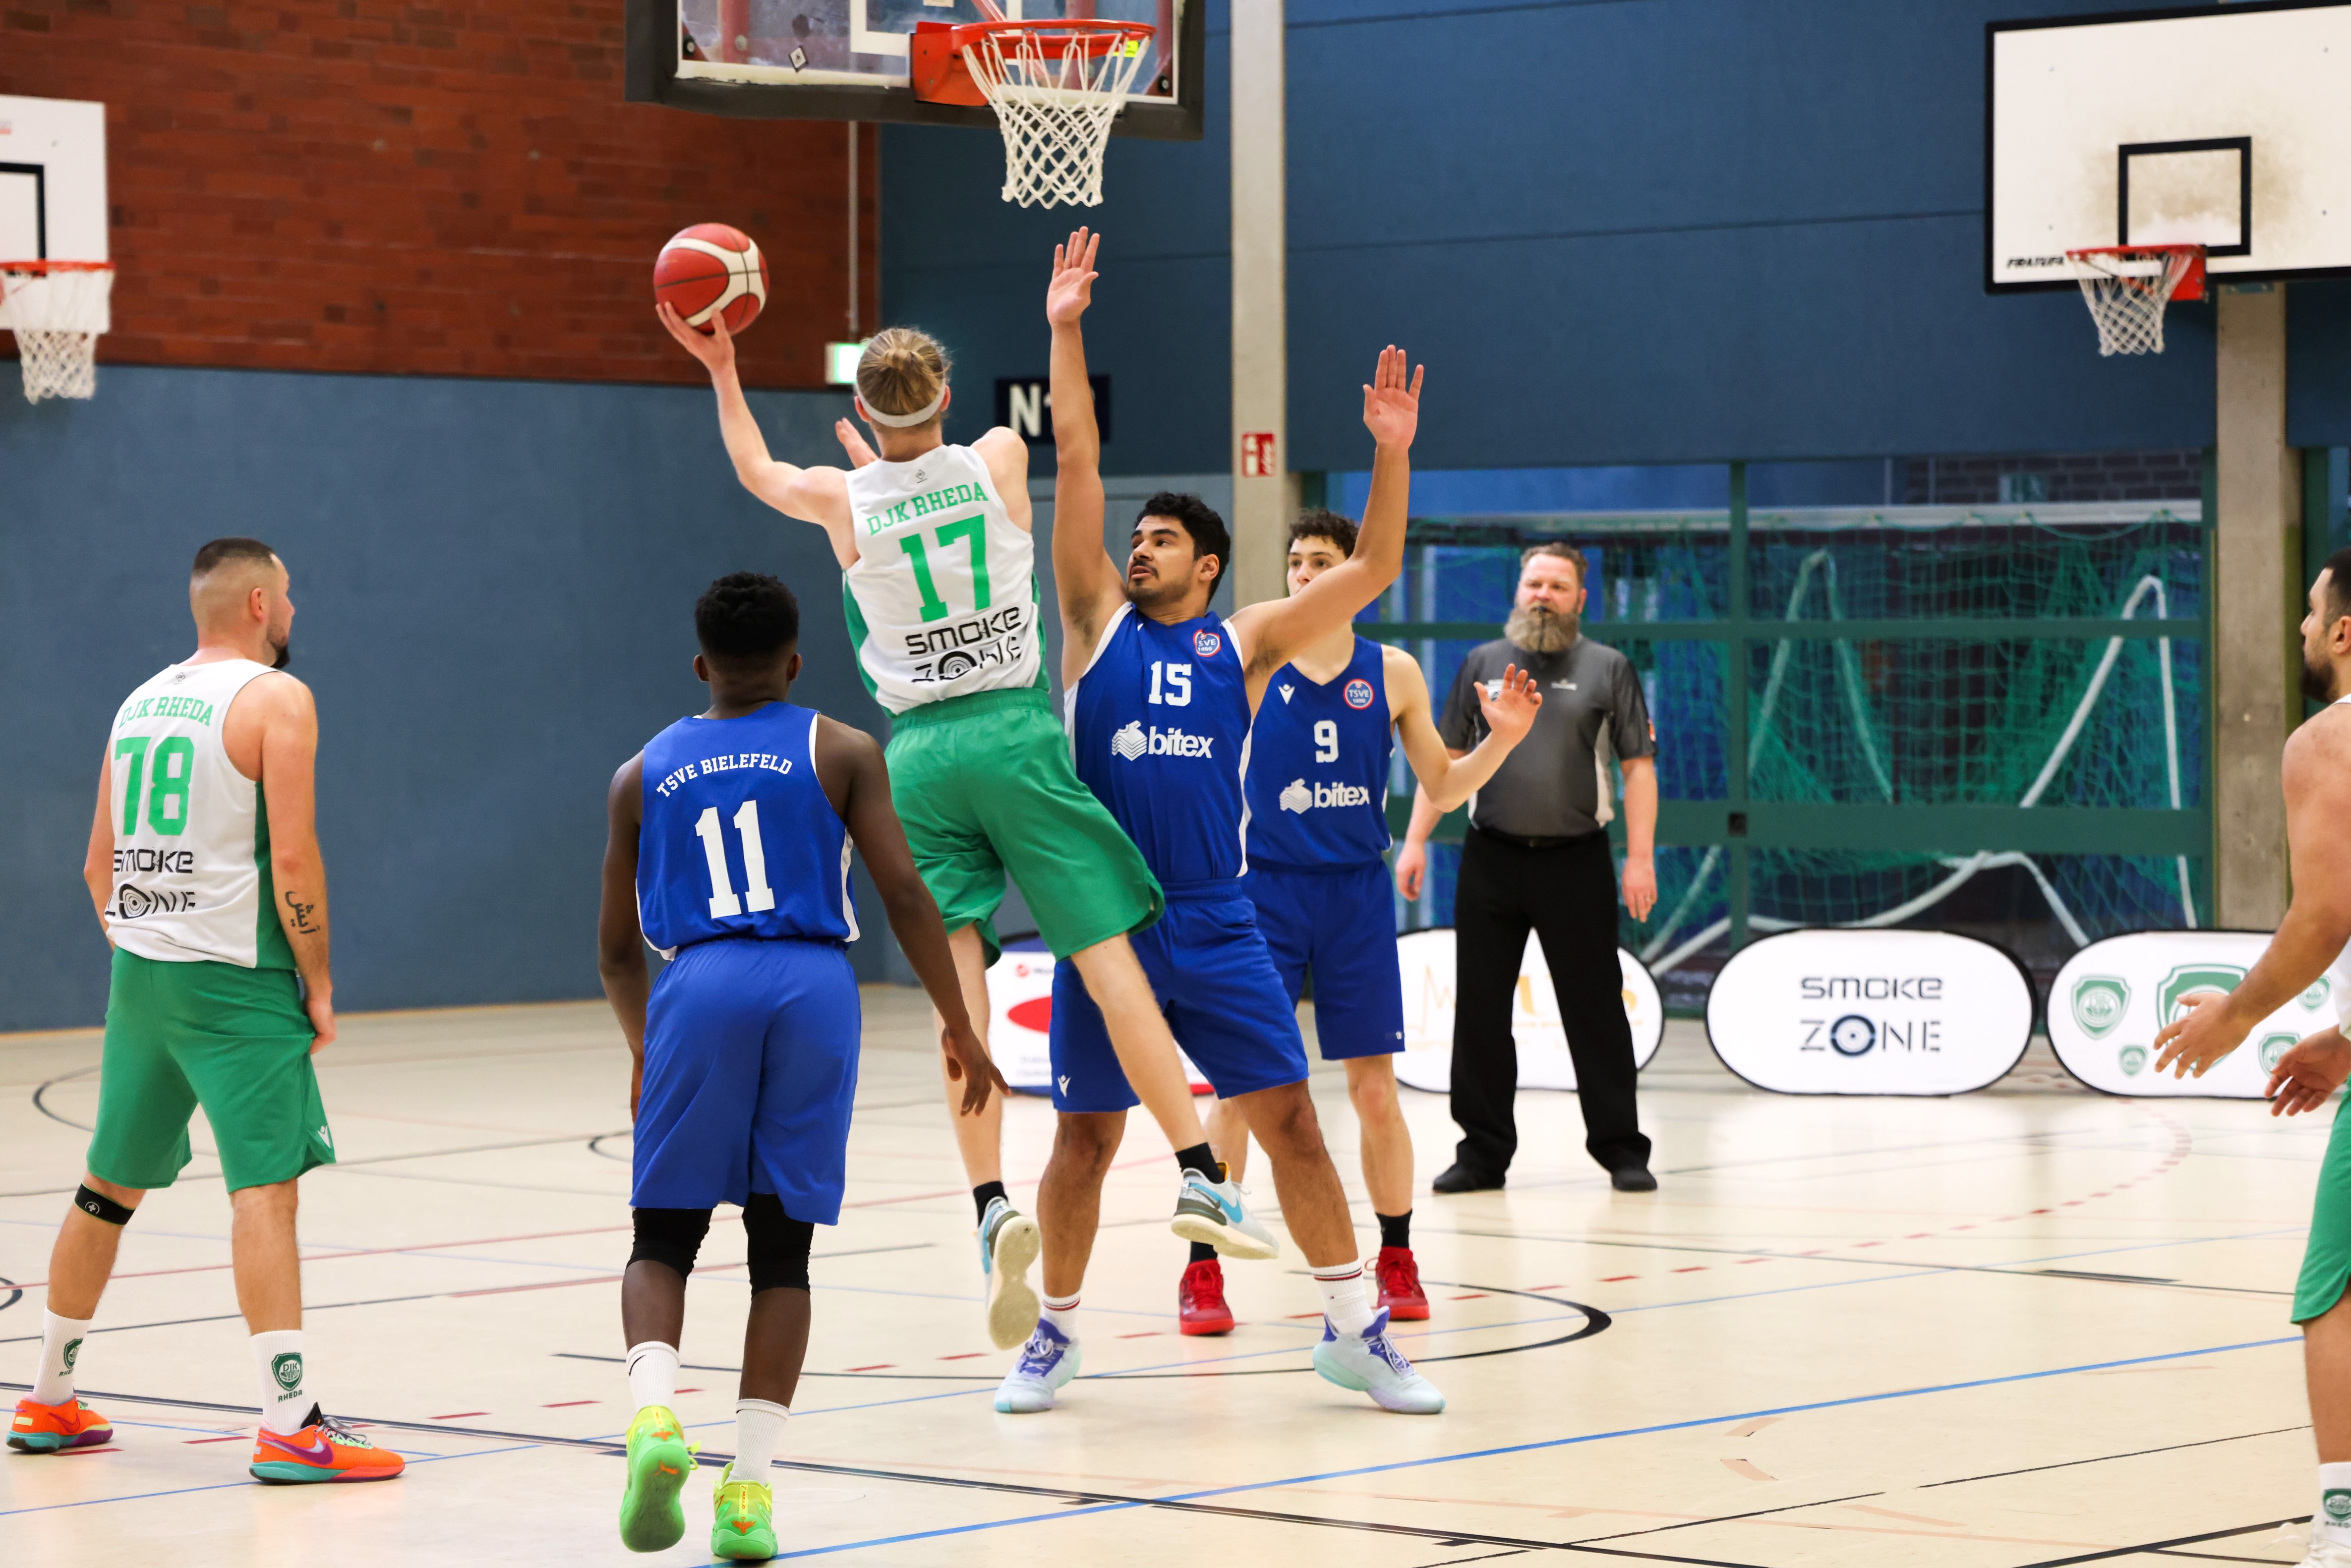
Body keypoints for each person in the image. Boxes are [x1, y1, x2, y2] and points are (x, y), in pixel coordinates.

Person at [659, 301, 1263, 1355]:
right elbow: (1043, 433)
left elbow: (756, 467)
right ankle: (1196, 1170)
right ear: (943, 395)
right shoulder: (995, 457)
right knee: (1104, 955)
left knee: (959, 986)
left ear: (862, 411)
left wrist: (721, 365)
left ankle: (987, 1199)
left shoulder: (840, 497)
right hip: (1013, 734)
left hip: (920, 758)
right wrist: (1059, 329)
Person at [992, 226, 1442, 1416]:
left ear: (1207, 567)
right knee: (1083, 1141)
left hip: (1217, 916)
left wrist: (1389, 451)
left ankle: (1354, 1329)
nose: (1138, 548)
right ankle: (1055, 1333)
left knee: (1291, 1118)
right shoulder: (1092, 623)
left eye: (1162, 541)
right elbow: (1076, 451)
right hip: (1105, 925)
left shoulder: (1240, 643)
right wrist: (1064, 328)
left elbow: (1375, 565)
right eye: (1135, 538)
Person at [595, 573, 1003, 1561]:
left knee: (663, 1236)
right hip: (812, 989)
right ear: (795, 662)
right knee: (782, 1254)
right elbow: (904, 894)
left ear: (701, 665)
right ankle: (747, 1495)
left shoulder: (639, 773)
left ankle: (654, 1415)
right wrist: (958, 1022)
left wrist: (648, 1047)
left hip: (698, 984)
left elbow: (613, 950)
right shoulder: (843, 748)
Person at [8, 538, 405, 1484]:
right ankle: (290, 1425)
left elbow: (97, 865)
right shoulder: (277, 699)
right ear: (260, 604)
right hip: (236, 981)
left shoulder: (139, 702)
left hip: (142, 975)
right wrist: (318, 982)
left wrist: (146, 945)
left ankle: (49, 1397)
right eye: (290, 595)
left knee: (106, 1187)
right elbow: (294, 859)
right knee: (264, 1189)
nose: (296, 611)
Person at [1176, 511, 1541, 1335]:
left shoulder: (1393, 673)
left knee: (1374, 1091)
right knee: (1238, 1090)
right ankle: (1201, 1269)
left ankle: (1397, 1257)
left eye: (1321, 562)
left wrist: (1503, 741)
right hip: (1260, 893)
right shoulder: (1250, 657)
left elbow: (1443, 788)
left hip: (1354, 897)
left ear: (1354, 577)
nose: (1304, 576)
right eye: (1295, 563)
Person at [2151, 547, 2351, 1568]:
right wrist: (2345, 1042)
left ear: (2345, 632)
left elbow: (2325, 914)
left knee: (2335, 1295)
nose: (2302, 628)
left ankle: (2344, 1521)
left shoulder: (2328, 739)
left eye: (2311, 612)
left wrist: (2234, 1014)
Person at [1395, 540, 1661, 1194]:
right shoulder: (1481, 664)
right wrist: (1415, 841)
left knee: (1596, 1009)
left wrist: (1640, 859)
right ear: (1518, 591)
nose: (1543, 595)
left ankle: (1622, 1151)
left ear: (1580, 599)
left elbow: (1638, 769)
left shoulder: (1609, 668)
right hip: (1491, 858)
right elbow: (1443, 762)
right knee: (1481, 1011)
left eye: (1557, 586)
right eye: (1534, 584)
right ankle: (1481, 1155)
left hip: (1578, 861)